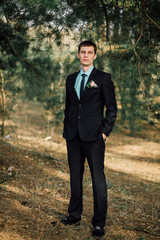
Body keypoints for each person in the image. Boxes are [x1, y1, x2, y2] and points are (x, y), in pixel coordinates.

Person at [62, 40, 117, 237]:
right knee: (75, 177)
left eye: (89, 52)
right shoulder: (70, 79)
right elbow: (69, 107)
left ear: (95, 55)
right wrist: (66, 127)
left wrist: (104, 132)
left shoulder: (102, 78)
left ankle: (99, 223)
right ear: (78, 54)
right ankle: (74, 214)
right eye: (83, 52)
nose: (86, 55)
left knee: (98, 179)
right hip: (73, 136)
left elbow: (111, 108)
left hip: (94, 137)